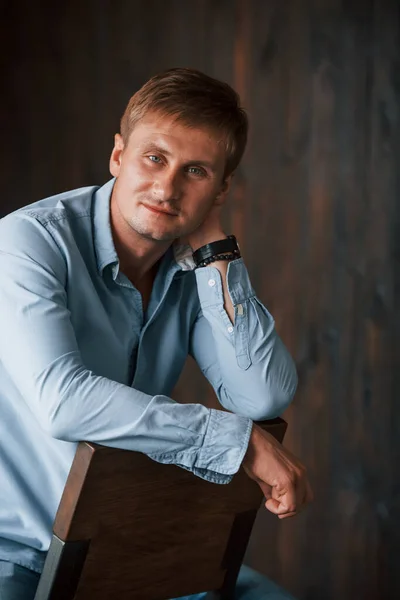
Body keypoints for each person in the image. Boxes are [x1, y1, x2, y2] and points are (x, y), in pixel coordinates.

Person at [0, 67, 312, 600]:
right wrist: (236, 444)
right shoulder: (27, 242)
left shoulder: (193, 264)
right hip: (13, 550)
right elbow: (64, 402)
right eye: (154, 158)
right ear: (118, 156)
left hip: (126, 549)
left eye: (195, 171)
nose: (167, 188)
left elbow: (263, 393)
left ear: (221, 189)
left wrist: (217, 255)